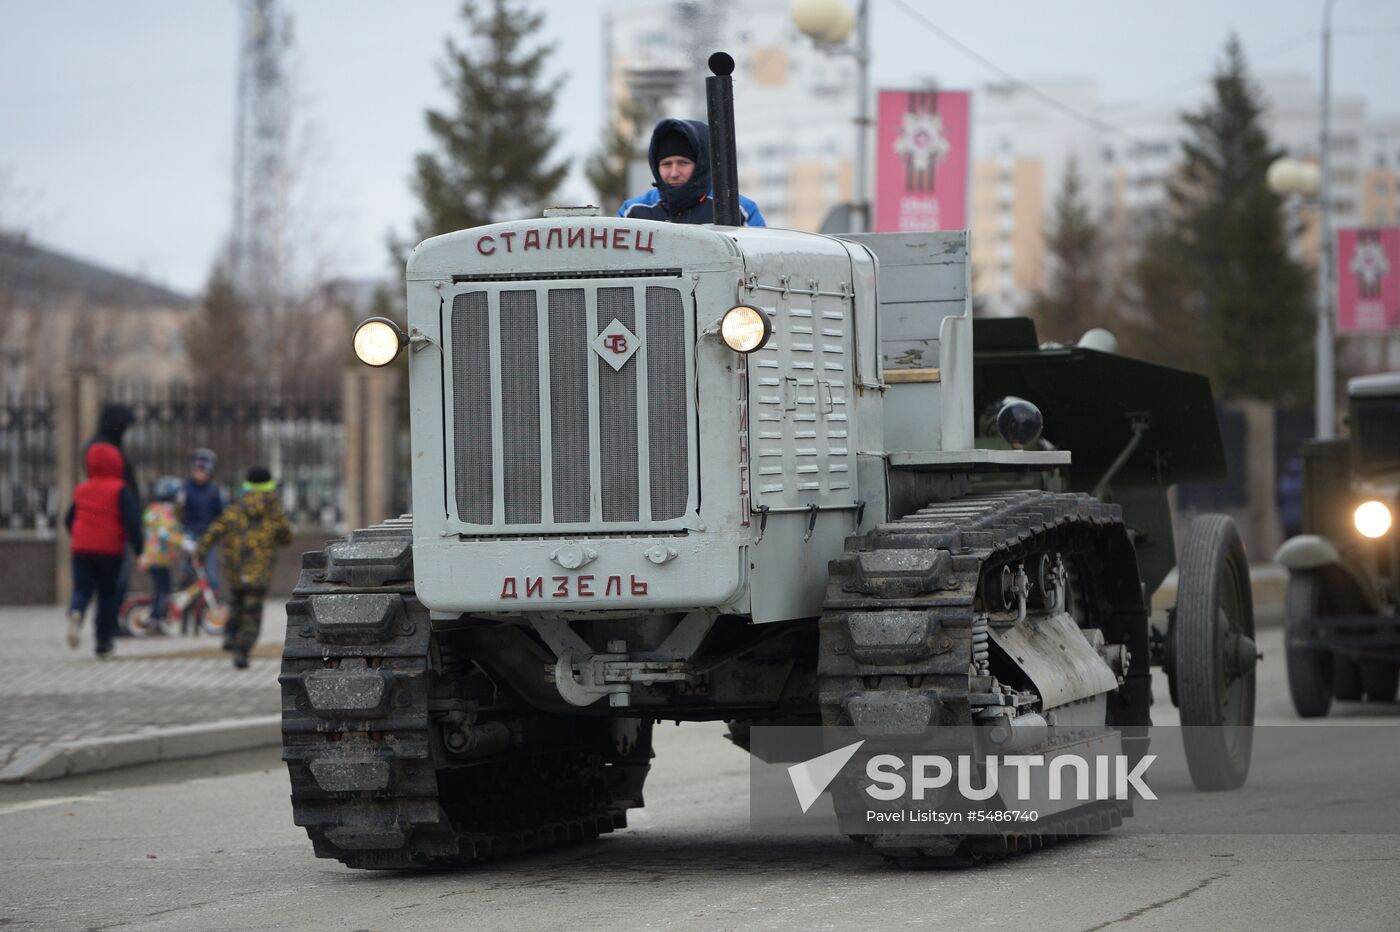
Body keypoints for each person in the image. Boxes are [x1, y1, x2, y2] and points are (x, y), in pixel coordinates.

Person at [196, 466, 292, 669]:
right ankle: (242, 649)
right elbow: (286, 537)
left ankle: (231, 634)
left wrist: (200, 553)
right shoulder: (273, 509)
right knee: (252, 612)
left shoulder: (236, 507)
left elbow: (215, 529)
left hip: (235, 568)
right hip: (260, 570)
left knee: (237, 603)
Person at [65, 443, 142, 657]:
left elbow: (69, 518)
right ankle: (103, 641)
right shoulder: (120, 490)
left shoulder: (82, 489)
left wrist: (80, 535)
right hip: (109, 550)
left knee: (81, 590)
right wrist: (139, 550)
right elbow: (132, 522)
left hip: (81, 549)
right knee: (107, 595)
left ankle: (76, 612)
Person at [619, 118, 766, 226]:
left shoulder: (739, 210)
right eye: (666, 164)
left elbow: (761, 261)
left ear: (701, 165)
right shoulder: (633, 212)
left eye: (683, 163)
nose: (674, 172)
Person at [138, 476, 186, 630]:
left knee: (163, 586)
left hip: (158, 558)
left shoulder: (156, 510)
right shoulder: (163, 512)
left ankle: (159, 615)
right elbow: (165, 534)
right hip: (156, 558)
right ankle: (156, 617)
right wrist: (183, 542)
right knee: (162, 587)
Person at [181, 448, 225, 594]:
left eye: (203, 471)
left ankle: (213, 600)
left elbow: (220, 515)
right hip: (190, 534)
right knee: (188, 572)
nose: (199, 475)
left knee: (210, 573)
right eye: (196, 471)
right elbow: (179, 512)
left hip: (208, 536)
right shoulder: (185, 489)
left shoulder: (214, 491)